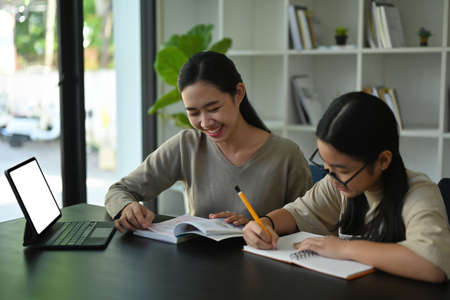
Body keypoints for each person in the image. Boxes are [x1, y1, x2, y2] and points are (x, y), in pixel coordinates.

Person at [243, 92, 450, 283]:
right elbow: (297, 213)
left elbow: (433, 264)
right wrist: (264, 223)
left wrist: (346, 249)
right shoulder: (339, 185)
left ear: (383, 160)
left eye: (341, 169)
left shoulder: (418, 193)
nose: (331, 177)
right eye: (326, 165)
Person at [105, 51, 312, 233]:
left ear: (238, 93)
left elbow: (309, 223)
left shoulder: (286, 155)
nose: (205, 123)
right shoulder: (187, 145)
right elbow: (119, 190)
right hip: (197, 266)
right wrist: (127, 208)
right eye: (193, 113)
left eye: (213, 109)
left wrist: (259, 225)